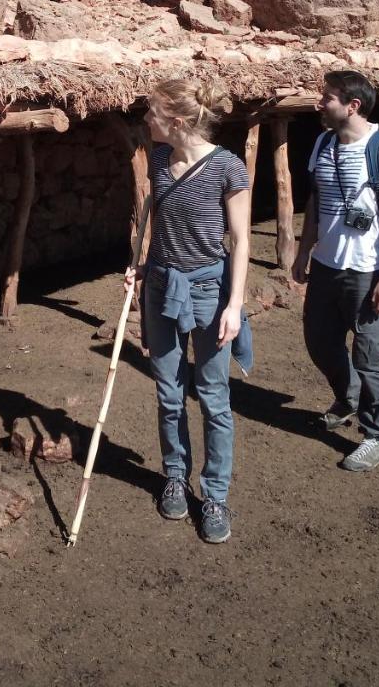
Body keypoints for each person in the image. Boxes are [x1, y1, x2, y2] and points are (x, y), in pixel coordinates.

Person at [126, 78, 251, 543]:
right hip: (161, 285)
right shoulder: (158, 159)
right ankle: (174, 475)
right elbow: (154, 221)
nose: (146, 120)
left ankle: (214, 494)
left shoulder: (227, 168)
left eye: (152, 113)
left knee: (214, 397)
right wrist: (141, 269)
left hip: (207, 291)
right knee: (168, 392)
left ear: (176, 121)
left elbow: (239, 242)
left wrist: (234, 306)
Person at [292, 69, 379, 472]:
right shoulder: (323, 143)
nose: (319, 103)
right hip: (326, 266)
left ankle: (378, 436)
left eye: (327, 97)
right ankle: (348, 397)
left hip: (366, 270)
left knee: (370, 354)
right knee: (319, 341)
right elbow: (315, 203)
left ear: (352, 106)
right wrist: (302, 252)